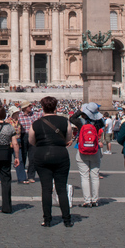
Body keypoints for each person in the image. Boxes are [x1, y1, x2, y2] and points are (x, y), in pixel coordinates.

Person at [29, 96, 74, 228]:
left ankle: (47, 220)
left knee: (46, 189)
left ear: (42, 107)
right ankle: (67, 220)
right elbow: (68, 138)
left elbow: (31, 141)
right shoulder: (64, 121)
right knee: (61, 189)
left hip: (42, 155)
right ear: (56, 107)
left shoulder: (36, 123)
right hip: (60, 154)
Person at [70, 102, 105, 208]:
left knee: (84, 176)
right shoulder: (98, 122)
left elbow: (71, 118)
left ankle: (87, 200)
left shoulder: (80, 122)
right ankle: (95, 200)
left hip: (81, 149)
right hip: (95, 149)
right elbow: (102, 124)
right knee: (95, 176)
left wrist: (81, 111)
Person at [18, 100, 40, 182]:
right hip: (22, 136)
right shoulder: (19, 116)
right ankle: (22, 176)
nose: (31, 107)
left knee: (33, 157)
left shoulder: (35, 114)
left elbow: (45, 114)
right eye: (29, 106)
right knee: (22, 157)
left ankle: (31, 176)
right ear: (24, 108)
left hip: (33, 136)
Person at [7, 105, 28, 183]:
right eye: (17, 113)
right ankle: (0, 177)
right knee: (6, 161)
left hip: (17, 143)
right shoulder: (7, 121)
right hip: (8, 143)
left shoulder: (18, 121)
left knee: (20, 160)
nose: (18, 114)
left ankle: (22, 178)